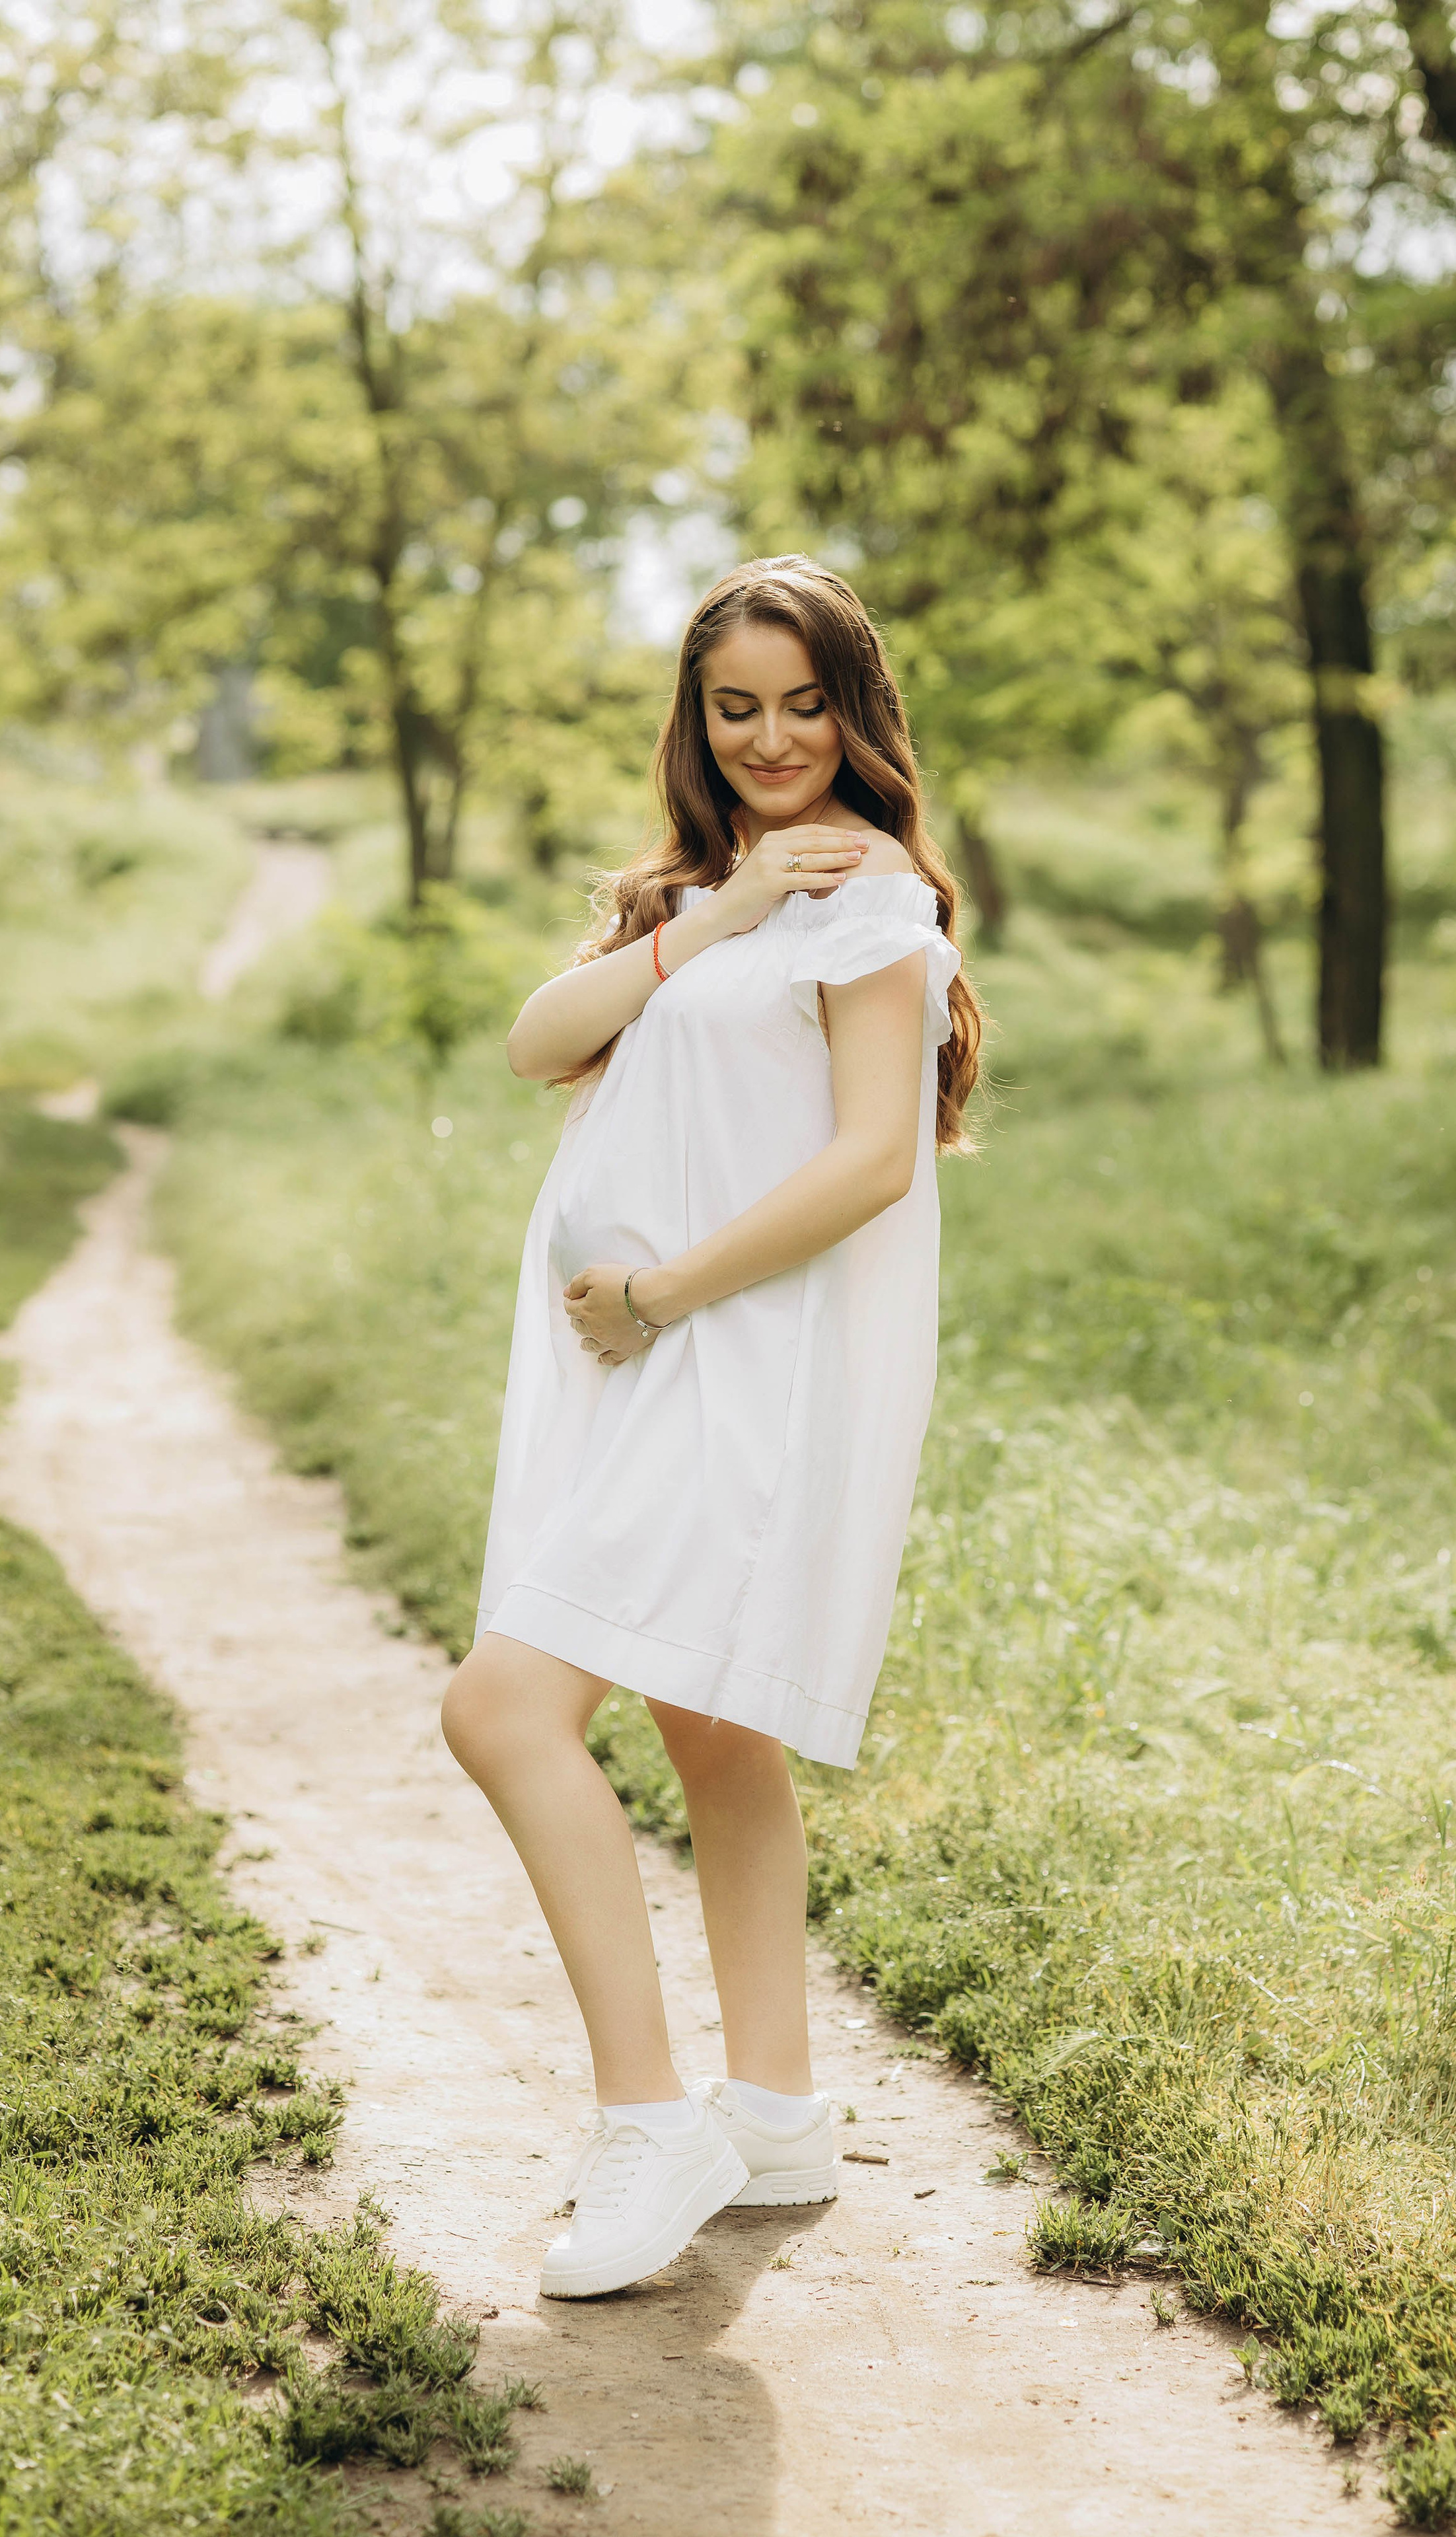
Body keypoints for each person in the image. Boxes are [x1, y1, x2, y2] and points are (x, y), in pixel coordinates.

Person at [441, 554, 983, 2300]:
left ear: (857, 709)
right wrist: (725, 912)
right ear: (698, 718)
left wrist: (663, 1296)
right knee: (709, 1731)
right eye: (734, 706)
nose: (769, 738)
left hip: (732, 1376)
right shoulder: (722, 890)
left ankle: (650, 2119)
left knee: (502, 1708)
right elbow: (540, 1044)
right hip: (644, 1374)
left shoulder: (881, 901)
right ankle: (774, 2106)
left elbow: (868, 1163)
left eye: (802, 704)